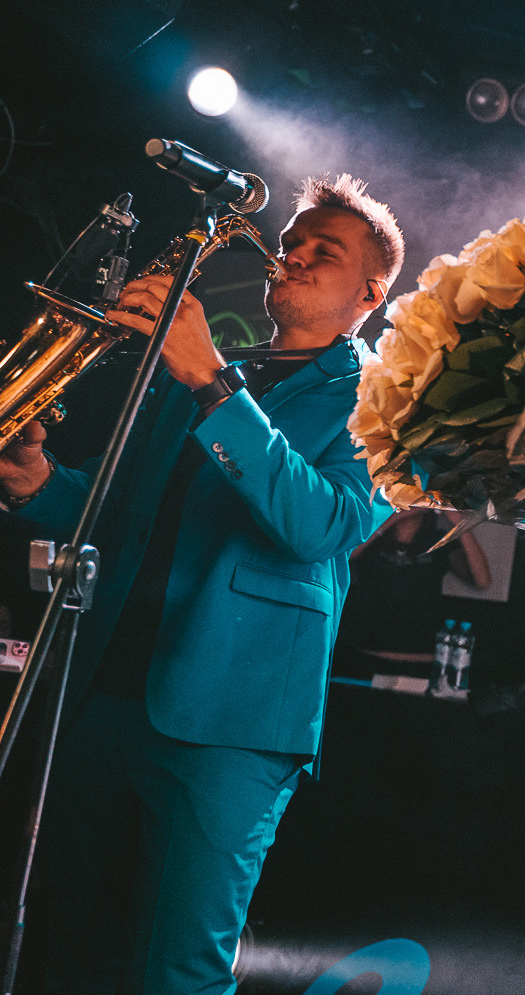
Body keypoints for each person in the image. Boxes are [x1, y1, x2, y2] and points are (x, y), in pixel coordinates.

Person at [0, 174, 402, 994]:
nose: (293, 255)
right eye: (290, 242)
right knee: (62, 950)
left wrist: (212, 382)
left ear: (370, 293)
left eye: (323, 252)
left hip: (232, 723)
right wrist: (35, 479)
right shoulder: (213, 372)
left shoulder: (388, 401)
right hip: (103, 691)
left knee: (178, 969)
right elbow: (116, 506)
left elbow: (322, 524)